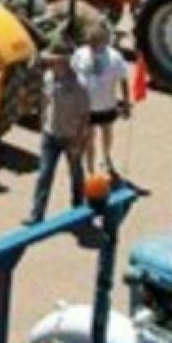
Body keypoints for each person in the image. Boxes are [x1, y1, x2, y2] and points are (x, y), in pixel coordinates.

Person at [28, 40, 89, 224]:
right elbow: (45, 101)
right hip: (50, 135)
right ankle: (36, 215)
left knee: (76, 174)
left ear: (64, 62)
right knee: (44, 175)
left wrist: (79, 141)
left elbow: (84, 116)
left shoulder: (79, 85)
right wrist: (42, 124)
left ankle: (79, 208)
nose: (50, 63)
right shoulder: (48, 77)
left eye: (54, 60)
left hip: (71, 137)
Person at [72, 22, 131, 174]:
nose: (92, 45)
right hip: (86, 106)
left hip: (107, 105)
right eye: (90, 41)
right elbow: (72, 75)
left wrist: (126, 102)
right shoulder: (80, 54)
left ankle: (106, 156)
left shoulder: (115, 57)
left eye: (96, 41)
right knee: (89, 137)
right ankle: (90, 169)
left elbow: (123, 79)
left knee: (107, 132)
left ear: (104, 41)